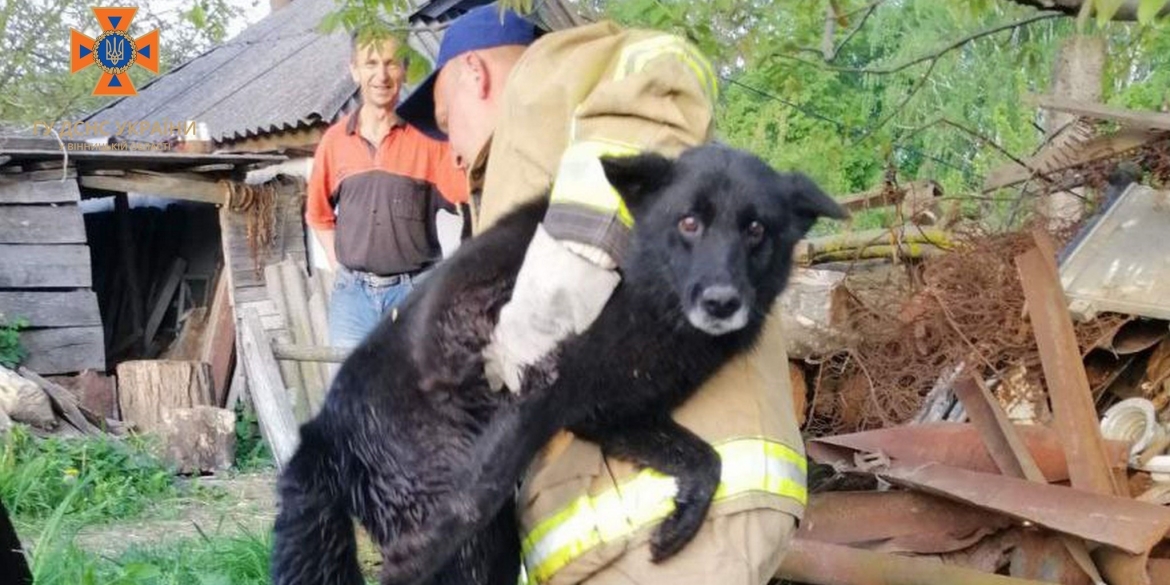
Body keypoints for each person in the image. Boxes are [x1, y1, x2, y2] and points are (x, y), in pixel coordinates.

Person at [397, 5, 807, 585]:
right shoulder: (517, 172)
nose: (451, 151)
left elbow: (663, 67)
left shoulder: (549, 73)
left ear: (474, 74)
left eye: (445, 120)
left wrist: (555, 286)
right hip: (636, 517)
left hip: (665, 519)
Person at [307, 34, 468, 348]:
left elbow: (470, 202)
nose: (381, 75)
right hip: (352, 300)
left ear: (405, 70)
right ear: (355, 70)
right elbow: (318, 215)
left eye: (391, 63)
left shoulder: (430, 141)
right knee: (349, 392)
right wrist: (339, 264)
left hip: (414, 293)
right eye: (371, 64)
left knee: (412, 392)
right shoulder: (335, 141)